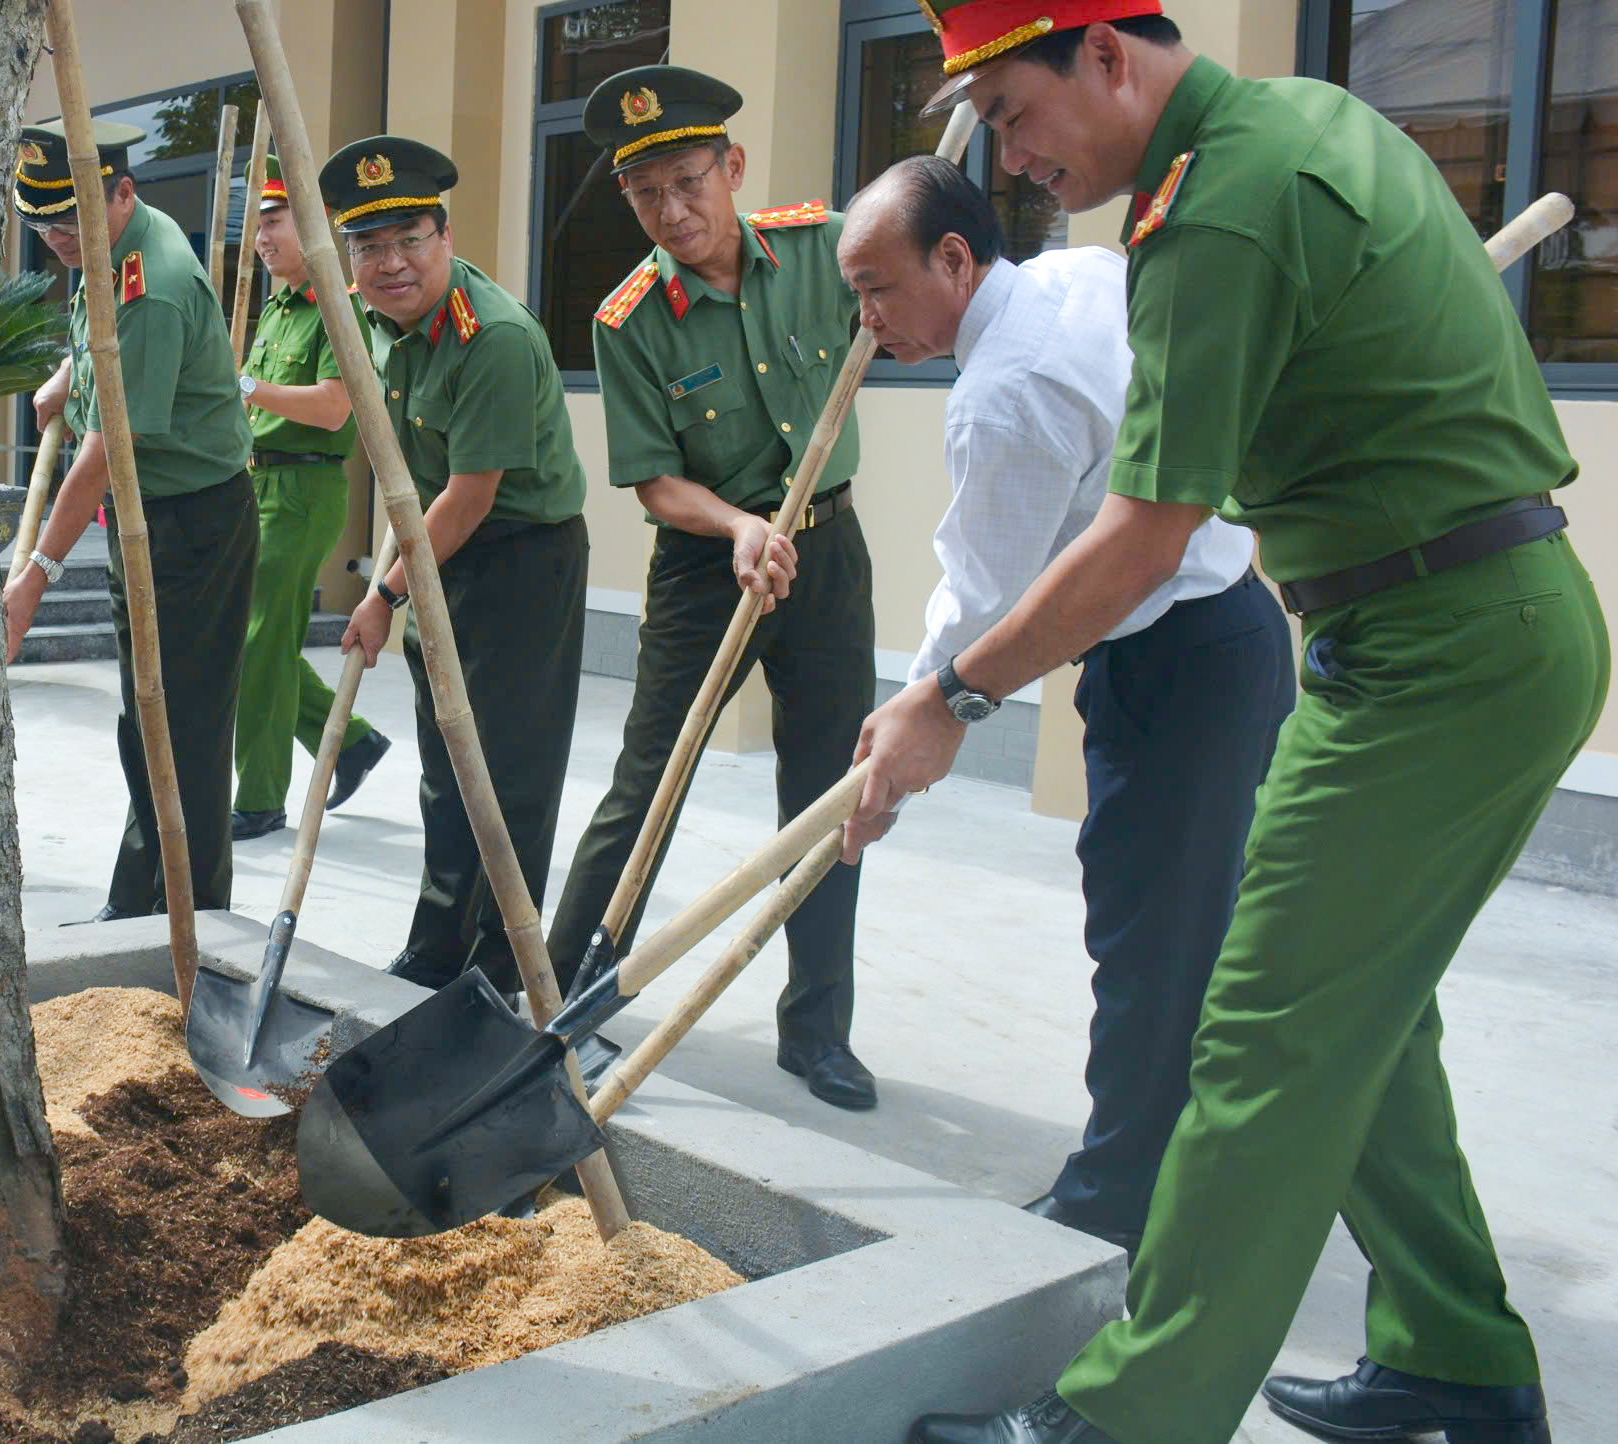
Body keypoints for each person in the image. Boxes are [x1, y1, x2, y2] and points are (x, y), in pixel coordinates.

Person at [852, 0, 1595, 1444]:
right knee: (1362, 1018)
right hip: (1420, 627)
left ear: (1110, 61)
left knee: (1257, 1029)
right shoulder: (1303, 125)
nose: (1009, 159)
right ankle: (1456, 1360)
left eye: (1013, 111)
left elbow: (1140, 539)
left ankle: (1130, 1418)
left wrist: (955, 695)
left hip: (1445, 648)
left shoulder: (1219, 211)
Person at [838, 155, 1291, 1252]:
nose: (866, 323)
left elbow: (987, 598)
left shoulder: (1005, 394)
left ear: (954, 258)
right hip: (1231, 634)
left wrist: (911, 722)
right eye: (855, 297)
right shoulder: (1078, 275)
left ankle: (1113, 1207)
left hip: (1175, 666)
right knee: (1190, 929)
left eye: (879, 290)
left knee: (1149, 943)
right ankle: (1187, 1176)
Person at [540, 66, 878, 1111]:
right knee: (649, 782)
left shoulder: (827, 246)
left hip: (827, 552)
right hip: (706, 568)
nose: (672, 212)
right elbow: (650, 478)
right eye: (644, 195)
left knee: (830, 793)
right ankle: (559, 1004)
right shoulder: (628, 317)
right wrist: (736, 525)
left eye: (688, 182)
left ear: (731, 169)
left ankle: (816, 1028)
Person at [322, 136, 589, 993]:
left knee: (505, 772)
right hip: (441, 554)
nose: (390, 263)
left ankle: (501, 968)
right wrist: (392, 581)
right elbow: (415, 489)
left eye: (410, 238)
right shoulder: (376, 323)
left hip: (520, 562)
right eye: (369, 245)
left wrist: (384, 592)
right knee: (445, 764)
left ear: (445, 234)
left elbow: (470, 495)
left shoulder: (495, 337)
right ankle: (436, 948)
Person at [3, 119, 259, 917]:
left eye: (70, 216)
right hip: (147, 514)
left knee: (180, 729)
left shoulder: (152, 282)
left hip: (192, 525)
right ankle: (139, 900)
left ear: (124, 192)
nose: (55, 238)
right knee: (145, 720)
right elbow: (102, 348)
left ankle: (194, 916)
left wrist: (34, 577)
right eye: (39, 220)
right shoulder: (105, 247)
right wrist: (65, 371)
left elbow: (108, 447)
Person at [229, 153, 390, 840]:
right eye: (258, 225)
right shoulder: (277, 308)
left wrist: (242, 387)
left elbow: (330, 409)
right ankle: (350, 740)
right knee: (251, 638)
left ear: (316, 221)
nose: (263, 237)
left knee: (262, 642)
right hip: (257, 478)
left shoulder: (334, 305)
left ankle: (260, 798)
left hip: (302, 487)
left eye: (276, 221)